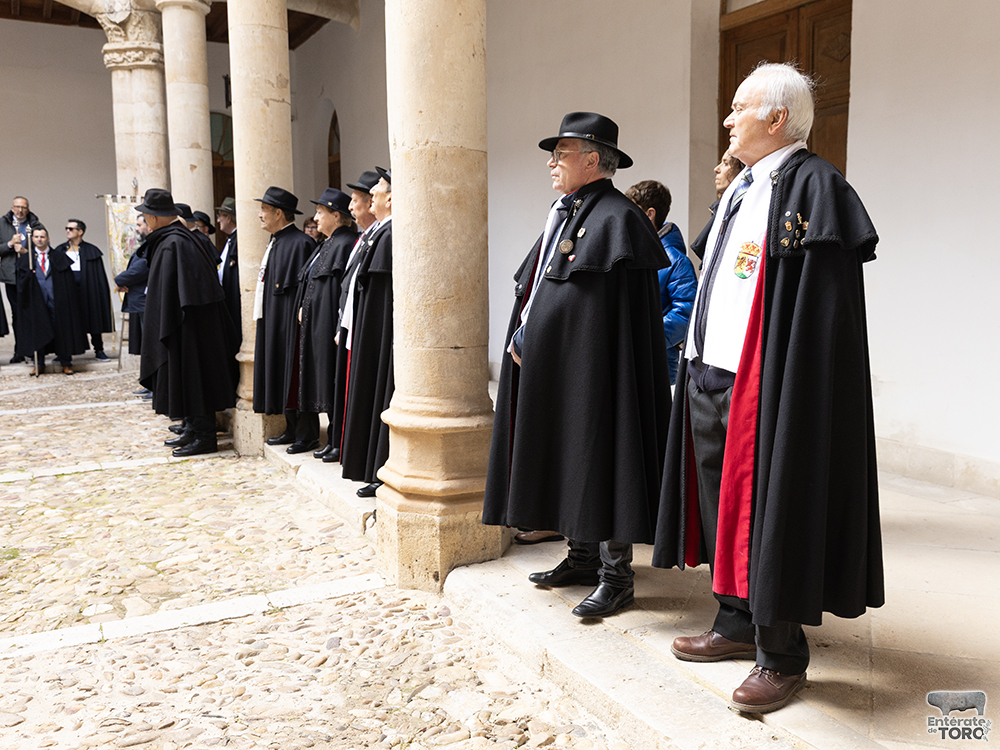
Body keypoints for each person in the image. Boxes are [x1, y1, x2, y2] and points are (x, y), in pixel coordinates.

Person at [652, 62, 884, 714]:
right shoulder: (741, 187)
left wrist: (791, 384)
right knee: (717, 502)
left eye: (737, 108)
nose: (727, 120)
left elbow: (820, 313)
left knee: (765, 512)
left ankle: (781, 656)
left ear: (776, 118)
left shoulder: (817, 185)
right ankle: (732, 621)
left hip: (766, 381)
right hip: (708, 370)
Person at [482, 112, 672, 619]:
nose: (551, 162)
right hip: (563, 368)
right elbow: (546, 282)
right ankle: (582, 557)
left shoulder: (618, 218)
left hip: (601, 374)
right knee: (570, 458)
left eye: (560, 153)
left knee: (603, 459)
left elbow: (602, 314)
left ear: (592, 159)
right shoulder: (566, 211)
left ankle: (616, 576)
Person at [135, 188, 238, 456]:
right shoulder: (174, 240)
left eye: (146, 216)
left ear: (155, 218)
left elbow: (179, 290)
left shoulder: (174, 243)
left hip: (188, 325)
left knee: (194, 378)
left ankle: (204, 436)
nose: (145, 221)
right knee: (187, 378)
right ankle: (193, 428)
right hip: (186, 323)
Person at [340, 167, 395, 497]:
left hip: (381, 333)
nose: (371, 194)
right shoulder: (378, 233)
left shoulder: (388, 235)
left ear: (390, 198)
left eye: (376, 191)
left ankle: (380, 468)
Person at [252, 186, 318, 453]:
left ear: (278, 213)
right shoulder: (276, 241)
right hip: (274, 322)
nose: (260, 215)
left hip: (291, 325)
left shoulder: (301, 243)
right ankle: (291, 428)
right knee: (282, 377)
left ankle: (307, 433)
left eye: (264, 210)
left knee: (297, 378)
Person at [296, 188, 358, 460]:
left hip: (331, 327)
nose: (316, 218)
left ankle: (339, 440)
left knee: (335, 381)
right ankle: (333, 438)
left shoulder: (344, 243)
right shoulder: (328, 242)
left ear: (336, 215)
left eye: (321, 212)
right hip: (318, 325)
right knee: (327, 380)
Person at [324, 170, 380, 465]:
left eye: (356, 200)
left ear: (372, 202)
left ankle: (346, 446)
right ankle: (341, 443)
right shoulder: (363, 238)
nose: (351, 206)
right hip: (347, 324)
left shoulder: (377, 235)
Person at [625, 180, 698, 385]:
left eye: (633, 210)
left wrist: (643, 337)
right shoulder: (630, 253)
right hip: (627, 362)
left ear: (650, 214)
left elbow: (686, 314)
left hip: (658, 367)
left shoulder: (675, 261)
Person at [14, 225, 87, 375]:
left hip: (57, 301)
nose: (39, 239)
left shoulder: (59, 257)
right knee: (38, 330)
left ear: (48, 238)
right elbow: (21, 283)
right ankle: (39, 363)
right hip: (37, 302)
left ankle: (66, 363)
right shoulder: (26, 260)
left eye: (42, 237)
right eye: (36, 237)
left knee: (62, 330)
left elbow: (68, 282)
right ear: (32, 239)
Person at [57, 219, 114, 361]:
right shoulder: (60, 250)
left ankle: (99, 350)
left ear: (80, 232)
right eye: (67, 228)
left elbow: (98, 276)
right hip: (67, 289)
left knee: (93, 317)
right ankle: (64, 352)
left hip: (88, 288)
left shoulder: (91, 250)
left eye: (71, 228)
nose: (67, 231)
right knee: (67, 321)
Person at [2, 196, 41, 362]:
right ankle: (19, 350)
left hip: (30, 275)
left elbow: (43, 247)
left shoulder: (36, 224)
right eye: (17, 207)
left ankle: (34, 349)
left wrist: (26, 251)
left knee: (31, 312)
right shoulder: (2, 224)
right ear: (12, 208)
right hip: (11, 276)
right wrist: (10, 244)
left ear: (28, 208)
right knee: (17, 314)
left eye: (23, 207)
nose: (20, 210)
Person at [115, 214, 150, 397]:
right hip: (138, 302)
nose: (136, 229)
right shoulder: (145, 244)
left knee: (150, 345)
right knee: (145, 345)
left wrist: (119, 280)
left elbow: (141, 268)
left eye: (139, 225)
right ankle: (149, 383)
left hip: (145, 302)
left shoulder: (151, 245)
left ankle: (153, 385)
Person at [690, 150, 744, 262]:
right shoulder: (721, 210)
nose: (716, 169)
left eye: (726, 163)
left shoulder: (743, 211)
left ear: (741, 171)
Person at [215, 198, 241, 349]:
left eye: (221, 216)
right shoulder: (230, 239)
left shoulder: (238, 240)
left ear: (229, 218)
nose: (218, 220)